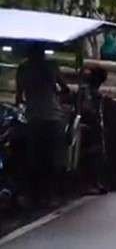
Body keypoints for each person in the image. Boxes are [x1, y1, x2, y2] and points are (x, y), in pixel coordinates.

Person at [15, 44, 68, 206]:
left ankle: (33, 194)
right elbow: (64, 88)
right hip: (53, 116)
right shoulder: (51, 66)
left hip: (34, 117)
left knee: (34, 156)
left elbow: (18, 96)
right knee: (52, 157)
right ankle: (50, 195)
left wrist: (24, 101)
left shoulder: (23, 68)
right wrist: (57, 93)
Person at [79, 66, 108, 195]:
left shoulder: (89, 91)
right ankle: (89, 183)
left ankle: (95, 182)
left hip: (92, 124)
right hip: (89, 125)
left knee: (96, 154)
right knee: (92, 154)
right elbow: (87, 109)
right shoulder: (89, 93)